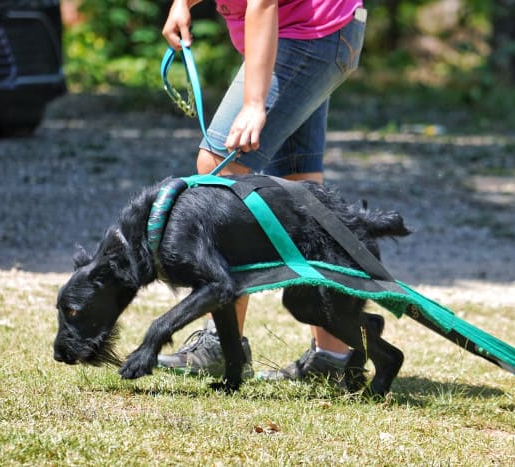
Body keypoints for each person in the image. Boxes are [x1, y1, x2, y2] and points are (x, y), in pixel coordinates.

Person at [156, 0, 367, 383]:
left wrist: (255, 103)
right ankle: (334, 359)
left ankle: (222, 346)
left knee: (220, 168)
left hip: (306, 35)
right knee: (302, 194)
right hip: (319, 33)